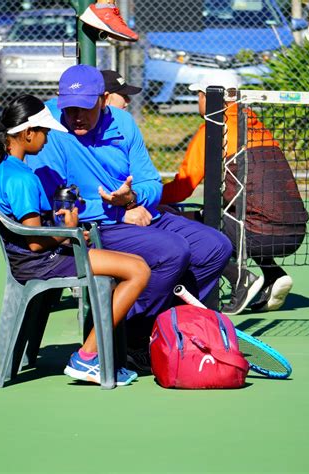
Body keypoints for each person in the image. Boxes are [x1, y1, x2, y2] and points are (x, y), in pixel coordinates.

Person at [26, 65, 232, 372]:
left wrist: (132, 199)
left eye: (84, 108)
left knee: (215, 246)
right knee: (173, 251)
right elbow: (56, 204)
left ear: (104, 99)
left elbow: (151, 184)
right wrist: (116, 209)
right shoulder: (50, 132)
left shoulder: (123, 122)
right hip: (95, 226)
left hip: (137, 213)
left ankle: (155, 327)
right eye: (70, 108)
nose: (76, 117)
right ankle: (132, 335)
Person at [0, 93, 151, 386]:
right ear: (28, 133)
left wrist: (67, 232)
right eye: (44, 132)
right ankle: (87, 357)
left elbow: (32, 232)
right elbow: (33, 239)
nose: (46, 140)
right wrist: (67, 231)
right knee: (139, 271)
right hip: (40, 262)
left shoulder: (7, 170)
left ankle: (100, 355)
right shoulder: (21, 177)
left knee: (135, 262)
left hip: (41, 257)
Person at [161, 80, 309, 315]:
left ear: (209, 97)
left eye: (199, 95)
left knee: (185, 225)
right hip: (294, 232)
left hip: (258, 234)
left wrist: (150, 197)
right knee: (239, 213)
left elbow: (183, 188)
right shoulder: (254, 123)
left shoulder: (214, 127)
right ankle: (272, 274)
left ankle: (241, 279)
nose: (198, 101)